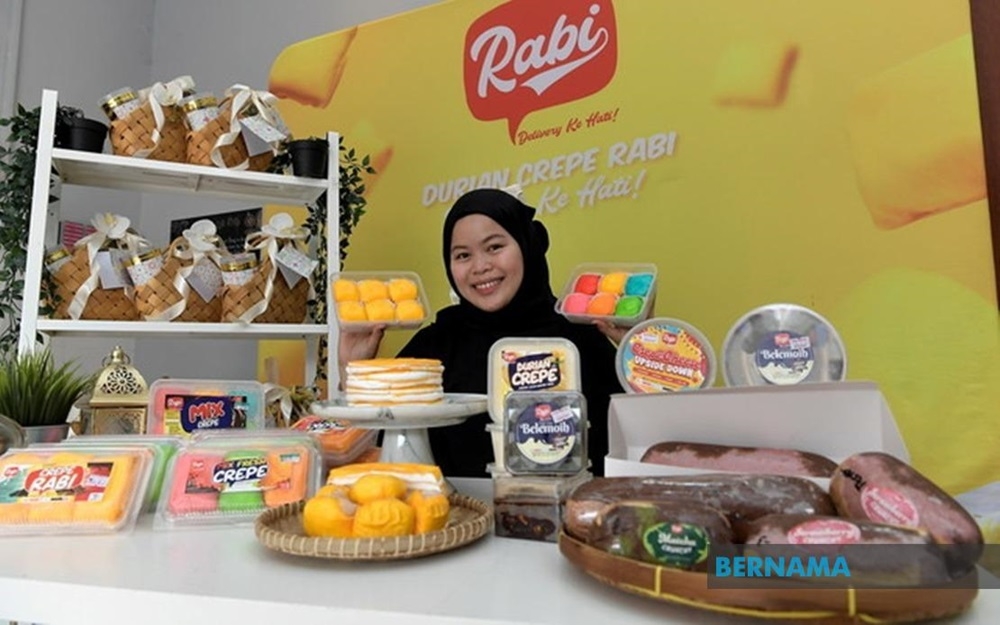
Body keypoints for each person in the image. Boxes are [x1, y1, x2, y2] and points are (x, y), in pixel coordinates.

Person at [339, 188, 626, 478]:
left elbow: (635, 446)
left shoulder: (578, 339)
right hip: (454, 518)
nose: (480, 267)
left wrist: (634, 355)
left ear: (528, 245)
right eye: (463, 255)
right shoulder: (435, 346)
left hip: (566, 516)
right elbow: (374, 448)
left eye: (494, 247)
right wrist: (350, 369)